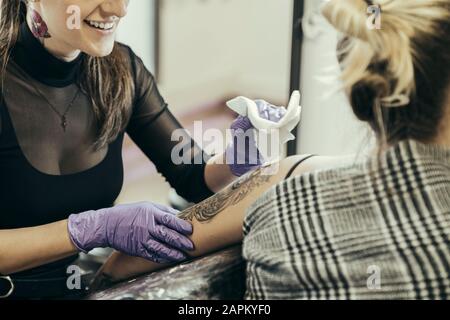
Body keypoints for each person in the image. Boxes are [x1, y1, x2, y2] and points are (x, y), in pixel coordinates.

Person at [92, 0, 450, 300]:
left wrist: (235, 160)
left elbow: (119, 268)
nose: (118, 9)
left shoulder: (285, 181)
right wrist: (85, 229)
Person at [0, 0, 291, 299]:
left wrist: (240, 153)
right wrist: (92, 228)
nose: (119, 10)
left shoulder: (121, 71)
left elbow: (191, 175)